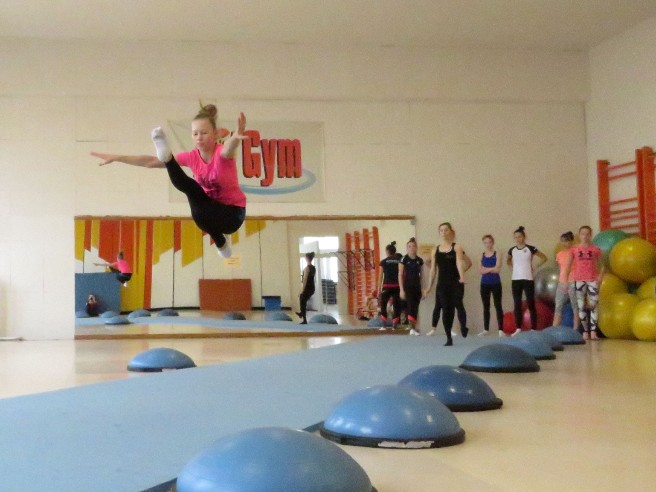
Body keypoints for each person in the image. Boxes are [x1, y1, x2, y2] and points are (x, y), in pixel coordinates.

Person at [91, 104, 246, 258]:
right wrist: (117, 157)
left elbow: (229, 148)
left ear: (216, 134)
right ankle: (166, 156)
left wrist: (236, 138)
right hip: (209, 210)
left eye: (204, 133)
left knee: (197, 202)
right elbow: (151, 162)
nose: (199, 137)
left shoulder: (221, 154)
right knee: (192, 192)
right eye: (195, 133)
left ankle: (220, 242)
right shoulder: (191, 157)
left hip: (233, 214)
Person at [423, 222, 467, 346]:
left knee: (458, 305)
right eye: (441, 230)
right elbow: (433, 270)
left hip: (455, 282)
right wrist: (429, 287)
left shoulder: (457, 247)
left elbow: (459, 263)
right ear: (439, 233)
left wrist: (462, 277)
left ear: (450, 232)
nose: (443, 232)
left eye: (446, 230)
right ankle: (448, 337)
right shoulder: (435, 250)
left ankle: (463, 326)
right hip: (442, 284)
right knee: (446, 310)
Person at [564, 226, 604, 340]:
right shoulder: (574, 249)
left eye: (587, 234)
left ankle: (593, 331)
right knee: (581, 306)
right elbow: (567, 266)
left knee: (593, 305)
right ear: (579, 235)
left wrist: (600, 277)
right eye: (583, 234)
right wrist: (566, 281)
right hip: (579, 280)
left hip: (592, 280)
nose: (585, 236)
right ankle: (585, 331)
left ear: (590, 235)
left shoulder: (595, 249)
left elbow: (602, 265)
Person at [506, 226, 548, 335]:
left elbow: (544, 257)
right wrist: (512, 269)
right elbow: (508, 261)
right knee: (517, 304)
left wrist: (535, 266)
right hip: (516, 280)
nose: (517, 239)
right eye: (515, 237)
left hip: (528, 279)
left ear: (524, 237)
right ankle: (518, 328)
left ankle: (533, 328)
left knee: (531, 303)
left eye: (519, 236)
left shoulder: (531, 248)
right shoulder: (512, 250)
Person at [553, 231, 580, 328]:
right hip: (562, 282)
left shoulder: (576, 252)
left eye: (567, 241)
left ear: (571, 241)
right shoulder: (559, 254)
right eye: (563, 241)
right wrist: (562, 281)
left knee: (575, 306)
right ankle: (554, 328)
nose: (565, 243)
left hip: (573, 281)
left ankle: (575, 328)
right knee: (558, 306)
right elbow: (560, 268)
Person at [478, 234, 504, 336]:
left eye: (489, 242)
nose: (487, 244)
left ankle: (500, 329)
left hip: (496, 283)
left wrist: (486, 269)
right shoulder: (481, 255)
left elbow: (498, 269)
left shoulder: (498, 254)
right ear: (483, 244)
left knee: (498, 306)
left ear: (492, 243)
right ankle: (486, 329)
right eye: (485, 243)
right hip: (484, 284)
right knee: (486, 306)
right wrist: (492, 268)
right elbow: (480, 271)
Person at [398, 237, 424, 335]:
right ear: (407, 248)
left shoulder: (419, 260)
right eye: (409, 246)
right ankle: (411, 328)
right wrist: (401, 289)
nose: (412, 248)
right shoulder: (404, 259)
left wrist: (423, 289)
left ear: (416, 248)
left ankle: (413, 327)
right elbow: (400, 274)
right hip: (407, 286)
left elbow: (422, 276)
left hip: (417, 286)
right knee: (411, 305)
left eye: (413, 246)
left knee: (416, 306)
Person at [378, 241, 402, 329]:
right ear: (395, 252)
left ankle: (383, 325)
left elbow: (380, 277)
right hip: (396, 286)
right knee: (396, 305)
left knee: (383, 305)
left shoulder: (383, 262)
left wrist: (378, 289)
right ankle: (395, 324)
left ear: (387, 252)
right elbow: (402, 274)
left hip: (386, 286)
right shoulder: (399, 261)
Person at [296, 252, 316, 325]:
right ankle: (301, 314)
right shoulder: (313, 268)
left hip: (308, 288)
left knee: (302, 301)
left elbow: (305, 280)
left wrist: (302, 290)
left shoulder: (306, 268)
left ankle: (304, 319)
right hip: (312, 288)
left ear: (307, 259)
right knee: (302, 300)